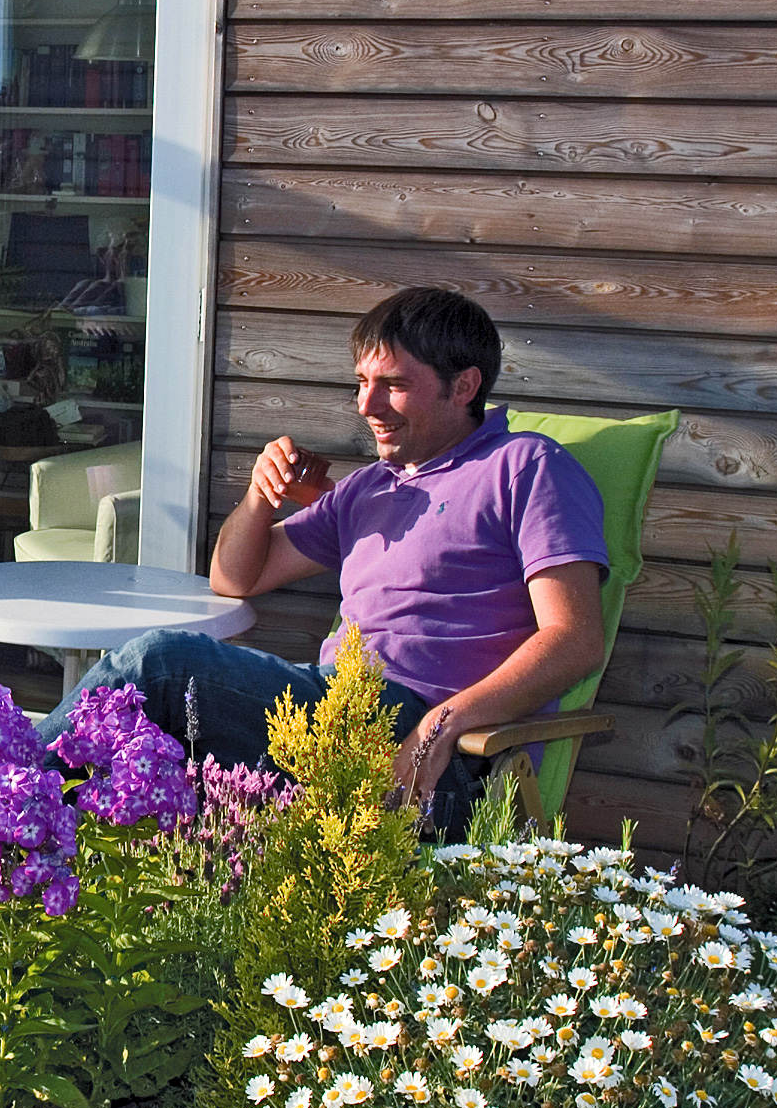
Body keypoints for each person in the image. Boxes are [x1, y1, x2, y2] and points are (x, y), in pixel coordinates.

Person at [65, 285, 609, 829]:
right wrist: (260, 497)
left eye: (393, 385)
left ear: (463, 386)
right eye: (362, 383)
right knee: (142, 758)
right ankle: (19, 839)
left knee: (159, 665)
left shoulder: (526, 467)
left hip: (432, 753)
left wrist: (440, 726)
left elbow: (575, 640)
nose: (367, 406)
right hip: (334, 719)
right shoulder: (368, 488)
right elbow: (234, 578)